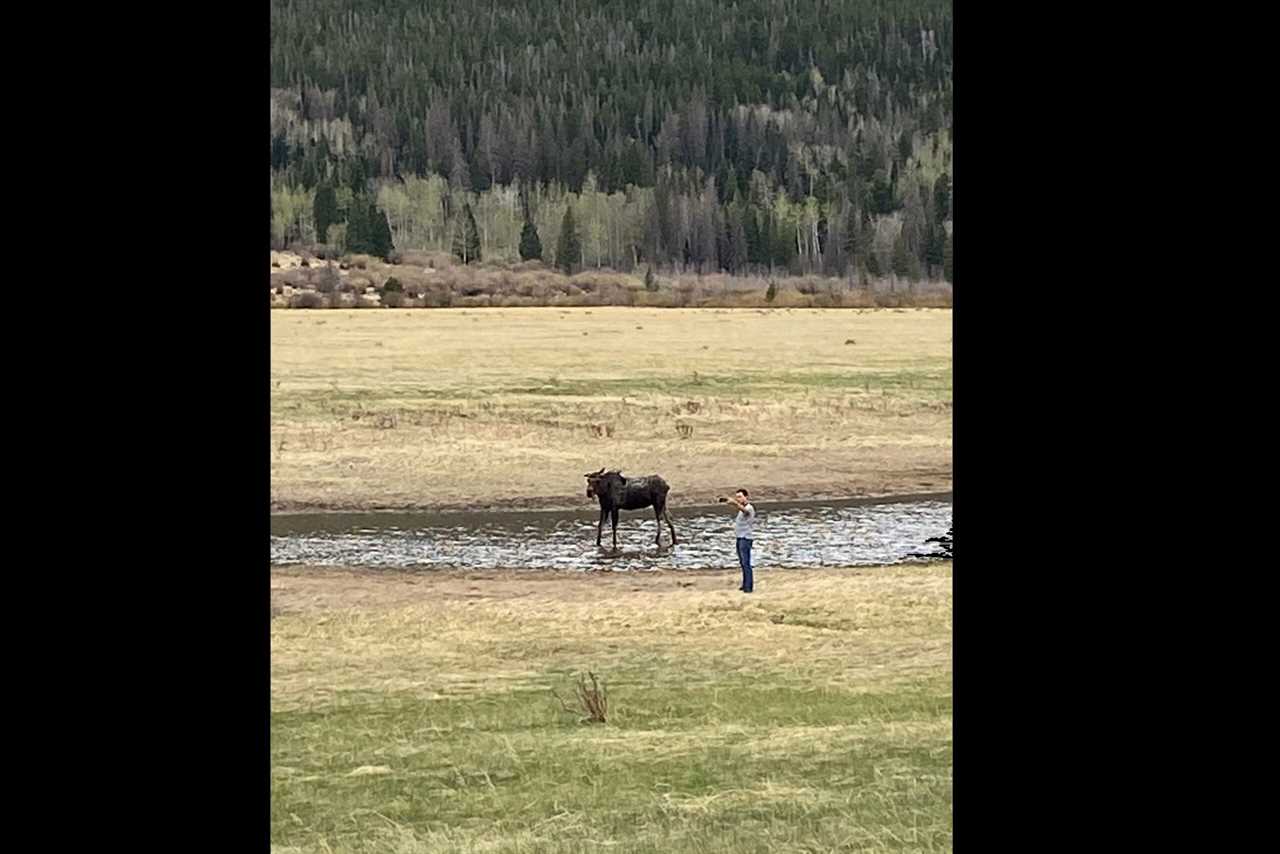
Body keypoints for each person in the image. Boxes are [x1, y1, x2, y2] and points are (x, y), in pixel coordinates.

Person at [719, 489, 756, 593]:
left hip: (746, 538)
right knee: (742, 563)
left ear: (746, 497)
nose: (738, 499)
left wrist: (734, 503)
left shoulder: (750, 508)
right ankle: (745, 585)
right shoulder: (741, 509)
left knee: (746, 563)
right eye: (737, 497)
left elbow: (745, 511)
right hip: (740, 537)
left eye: (740, 496)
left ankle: (749, 587)